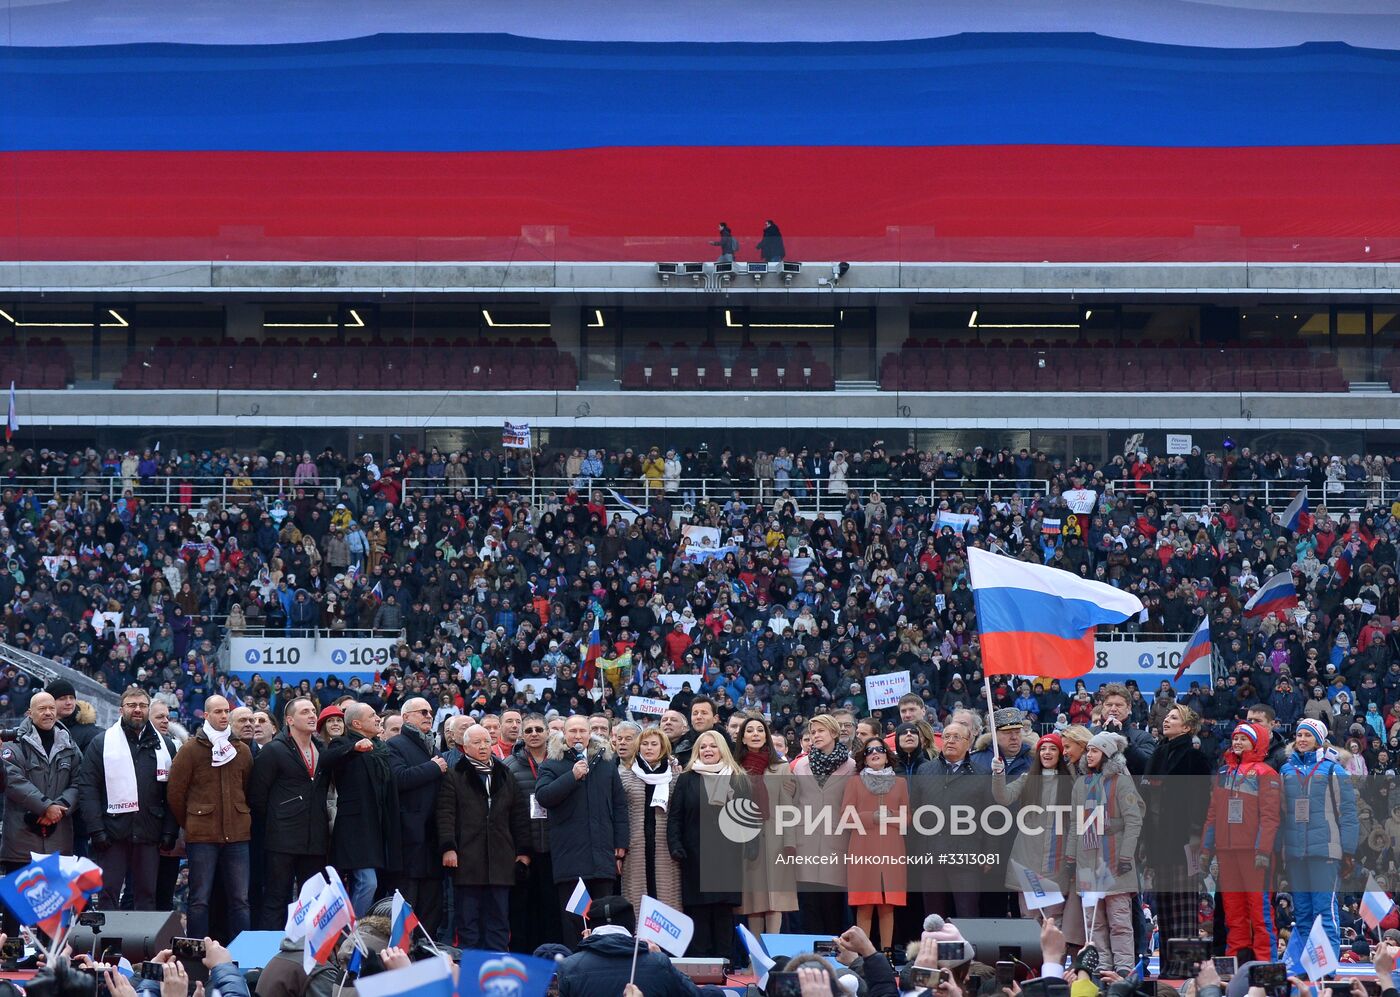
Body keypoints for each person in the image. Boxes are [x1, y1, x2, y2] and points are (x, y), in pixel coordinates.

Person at [75, 685, 176, 910]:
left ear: (148, 709)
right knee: (108, 894)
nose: (137, 710)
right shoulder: (101, 743)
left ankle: (144, 946)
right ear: (121, 710)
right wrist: (96, 829)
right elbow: (88, 787)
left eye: (142, 705)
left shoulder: (165, 745)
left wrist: (170, 830)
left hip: (150, 831)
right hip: (112, 832)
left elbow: (172, 793)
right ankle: (108, 945)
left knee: (147, 895)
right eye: (132, 705)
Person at [534, 714, 629, 948]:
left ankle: (605, 962)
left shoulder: (606, 763)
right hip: (570, 858)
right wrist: (572, 776)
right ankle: (576, 966)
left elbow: (619, 805)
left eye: (582, 731)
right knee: (574, 920)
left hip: (602, 857)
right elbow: (544, 797)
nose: (578, 735)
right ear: (564, 735)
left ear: (590, 734)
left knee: (603, 917)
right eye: (573, 731)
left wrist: (620, 845)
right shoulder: (551, 763)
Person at [166, 694, 253, 942]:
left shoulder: (242, 750)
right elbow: (175, 793)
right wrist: (193, 820)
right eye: (218, 712)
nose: (224, 716)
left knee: (241, 901)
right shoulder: (191, 750)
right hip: (202, 836)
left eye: (226, 711)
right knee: (199, 900)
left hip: (237, 835)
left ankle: (244, 956)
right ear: (206, 715)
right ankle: (195, 953)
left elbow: (246, 788)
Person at [438, 724, 531, 951]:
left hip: (501, 858)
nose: (483, 746)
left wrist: (523, 852)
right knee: (468, 921)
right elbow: (445, 814)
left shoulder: (504, 774)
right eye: (477, 742)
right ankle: (471, 968)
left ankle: (497, 966)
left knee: (499, 919)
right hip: (467, 858)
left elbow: (519, 815)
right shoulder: (454, 775)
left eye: (487, 742)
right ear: (465, 746)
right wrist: (448, 848)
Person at [0, 689, 80, 934]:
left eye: (51, 708)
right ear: (29, 713)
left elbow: (79, 782)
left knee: (55, 902)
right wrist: (47, 807)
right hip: (21, 837)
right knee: (14, 902)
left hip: (58, 833)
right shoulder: (13, 743)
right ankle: (10, 954)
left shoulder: (69, 743)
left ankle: (50, 954)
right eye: (42, 709)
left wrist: (60, 809)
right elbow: (12, 780)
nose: (48, 713)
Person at [1279, 717, 1358, 957]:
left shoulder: (1334, 769)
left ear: (1319, 740)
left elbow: (1348, 813)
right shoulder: (1285, 770)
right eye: (1299, 735)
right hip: (1295, 851)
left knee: (1324, 911)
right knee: (1301, 914)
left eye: (1308, 735)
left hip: (1326, 850)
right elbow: (1280, 815)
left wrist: (1348, 851)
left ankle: (1328, 969)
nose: (1302, 740)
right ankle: (1306, 966)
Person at [248, 696, 329, 930]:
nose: (312, 715)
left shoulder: (322, 749)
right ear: (290, 719)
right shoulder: (274, 750)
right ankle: (267, 955)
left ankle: (308, 952)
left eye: (314, 711)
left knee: (313, 901)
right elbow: (258, 796)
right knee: (276, 899)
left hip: (315, 840)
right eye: (305, 712)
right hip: (281, 840)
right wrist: (279, 818)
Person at [668, 730, 751, 958]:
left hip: (728, 857)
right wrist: (675, 845)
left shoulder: (737, 777)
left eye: (713, 746)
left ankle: (726, 964)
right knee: (699, 913)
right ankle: (702, 968)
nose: (707, 750)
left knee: (723, 913)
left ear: (722, 749)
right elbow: (675, 816)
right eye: (703, 747)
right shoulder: (687, 779)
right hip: (695, 857)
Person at [1202, 722, 1281, 958]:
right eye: (1235, 738)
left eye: (1243, 739)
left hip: (1254, 853)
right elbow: (1212, 814)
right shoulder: (1224, 773)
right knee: (1233, 911)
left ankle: (1266, 962)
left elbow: (1270, 817)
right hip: (1226, 851)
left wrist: (1263, 851)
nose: (1237, 743)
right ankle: (1235, 958)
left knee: (1260, 911)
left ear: (1256, 743)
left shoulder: (1266, 773)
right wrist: (1206, 850)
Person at [1067, 731, 1144, 973]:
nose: (1089, 754)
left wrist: (1126, 856)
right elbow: (1074, 823)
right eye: (1088, 750)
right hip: (1087, 858)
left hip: (1114, 857)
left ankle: (1123, 968)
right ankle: (1101, 966)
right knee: (1094, 922)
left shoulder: (1121, 782)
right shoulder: (1081, 784)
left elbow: (1134, 820)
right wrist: (1071, 857)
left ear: (1107, 754)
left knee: (1120, 920)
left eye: (1095, 750)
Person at [1139, 702, 1212, 944]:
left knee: (1183, 907)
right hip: (1157, 842)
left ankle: (1185, 964)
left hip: (1183, 842)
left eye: (1173, 717)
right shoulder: (1158, 754)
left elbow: (1200, 803)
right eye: (1166, 717)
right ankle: (1169, 963)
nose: (1166, 720)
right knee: (1166, 907)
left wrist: (1194, 838)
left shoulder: (1195, 758)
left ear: (1187, 727)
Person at [322, 702, 401, 916]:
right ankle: (352, 931)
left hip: (381, 826)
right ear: (357, 723)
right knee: (367, 883)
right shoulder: (343, 743)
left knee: (377, 885)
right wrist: (354, 749)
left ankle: (363, 931)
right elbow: (327, 760)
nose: (378, 718)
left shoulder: (382, 748)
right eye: (373, 715)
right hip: (356, 828)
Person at [992, 731, 1073, 920]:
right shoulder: (1027, 778)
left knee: (1054, 916)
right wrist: (998, 773)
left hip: (1057, 858)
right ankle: (1033, 951)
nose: (1047, 752)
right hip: (1028, 856)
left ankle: (1053, 951)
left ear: (1060, 754)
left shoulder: (1070, 781)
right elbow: (1003, 797)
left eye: (1053, 749)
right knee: (1029, 915)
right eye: (1043, 749)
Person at [555, 894, 703, 997]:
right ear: (632, 925)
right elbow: (694, 994)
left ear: (592, 927)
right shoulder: (658, 963)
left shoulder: (569, 966)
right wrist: (662, 959)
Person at [386, 697, 447, 939]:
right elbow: (398, 779)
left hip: (433, 839)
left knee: (432, 907)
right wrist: (433, 767)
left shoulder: (432, 747)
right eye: (422, 711)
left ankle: (424, 954)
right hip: (408, 839)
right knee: (407, 904)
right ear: (406, 717)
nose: (428, 715)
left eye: (430, 712)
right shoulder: (395, 745)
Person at [841, 736, 908, 949]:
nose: (875, 753)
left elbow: (908, 818)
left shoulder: (900, 783)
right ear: (864, 758)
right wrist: (872, 817)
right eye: (869, 751)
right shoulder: (855, 782)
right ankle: (864, 954)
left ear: (887, 755)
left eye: (879, 749)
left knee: (888, 905)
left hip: (892, 848)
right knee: (865, 904)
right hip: (863, 848)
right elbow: (846, 816)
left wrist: (889, 814)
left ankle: (887, 954)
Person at [734, 715, 797, 938]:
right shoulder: (734, 768)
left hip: (775, 840)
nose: (755, 734)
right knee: (753, 900)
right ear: (742, 738)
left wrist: (790, 843)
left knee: (774, 899)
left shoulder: (780, 767)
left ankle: (772, 956)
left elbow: (787, 808)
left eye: (760, 730)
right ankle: (755, 957)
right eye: (750, 730)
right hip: (746, 841)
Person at [791, 713, 854, 935]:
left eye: (821, 731)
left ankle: (835, 955)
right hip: (806, 841)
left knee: (833, 904)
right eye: (813, 732)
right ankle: (812, 956)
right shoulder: (800, 766)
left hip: (837, 841)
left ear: (834, 733)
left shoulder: (852, 766)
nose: (815, 735)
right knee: (809, 905)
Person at [504, 713, 560, 953]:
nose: (534, 734)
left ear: (548, 732)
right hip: (524, 851)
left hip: (556, 848)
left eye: (539, 729)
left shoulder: (559, 762)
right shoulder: (509, 765)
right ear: (522, 735)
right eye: (528, 731)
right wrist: (518, 851)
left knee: (553, 910)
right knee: (523, 912)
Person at [619, 725, 683, 916]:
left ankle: (666, 945)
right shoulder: (626, 776)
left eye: (654, 744)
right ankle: (640, 942)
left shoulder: (675, 777)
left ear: (663, 747)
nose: (649, 748)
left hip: (666, 851)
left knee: (667, 898)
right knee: (637, 901)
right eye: (644, 744)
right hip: (635, 849)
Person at [1094, 684, 1156, 776]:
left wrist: (1122, 738)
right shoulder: (1090, 733)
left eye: (1118, 705)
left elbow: (1148, 766)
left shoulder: (1143, 737)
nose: (1113, 709)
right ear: (1102, 707)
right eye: (1109, 705)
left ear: (1129, 707)